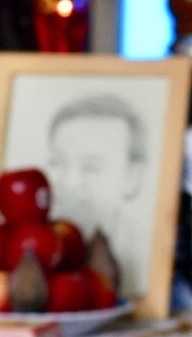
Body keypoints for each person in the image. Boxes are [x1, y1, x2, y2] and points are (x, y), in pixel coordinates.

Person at [45, 92, 150, 238]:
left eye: (91, 167)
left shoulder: (147, 244)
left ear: (132, 178)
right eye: (57, 162)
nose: (69, 183)